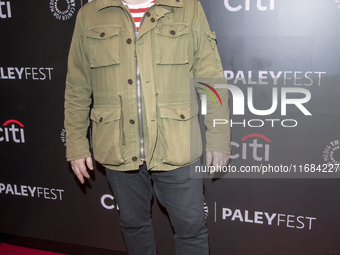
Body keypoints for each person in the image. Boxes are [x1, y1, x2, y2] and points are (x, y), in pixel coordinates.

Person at [64, 0, 231, 254]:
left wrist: (219, 136)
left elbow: (211, 77)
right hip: (117, 145)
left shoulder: (188, 7)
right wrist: (76, 143)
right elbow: (78, 85)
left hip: (177, 146)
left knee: (191, 228)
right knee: (133, 225)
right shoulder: (90, 14)